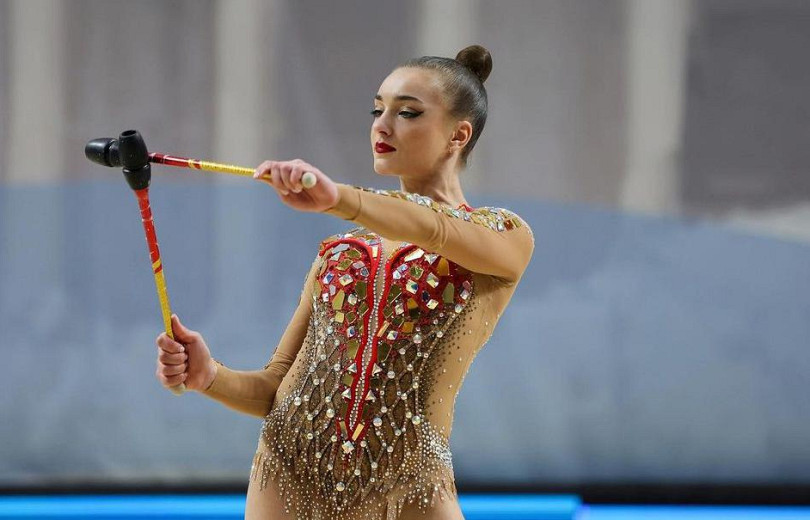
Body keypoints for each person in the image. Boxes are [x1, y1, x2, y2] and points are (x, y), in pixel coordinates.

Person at [156, 44, 534, 520]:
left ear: (459, 135)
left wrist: (340, 197)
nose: (382, 124)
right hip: (286, 476)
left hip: (409, 486)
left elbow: (433, 228)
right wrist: (209, 376)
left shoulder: (501, 236)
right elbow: (276, 387)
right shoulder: (339, 253)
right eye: (378, 110)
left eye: (408, 112)